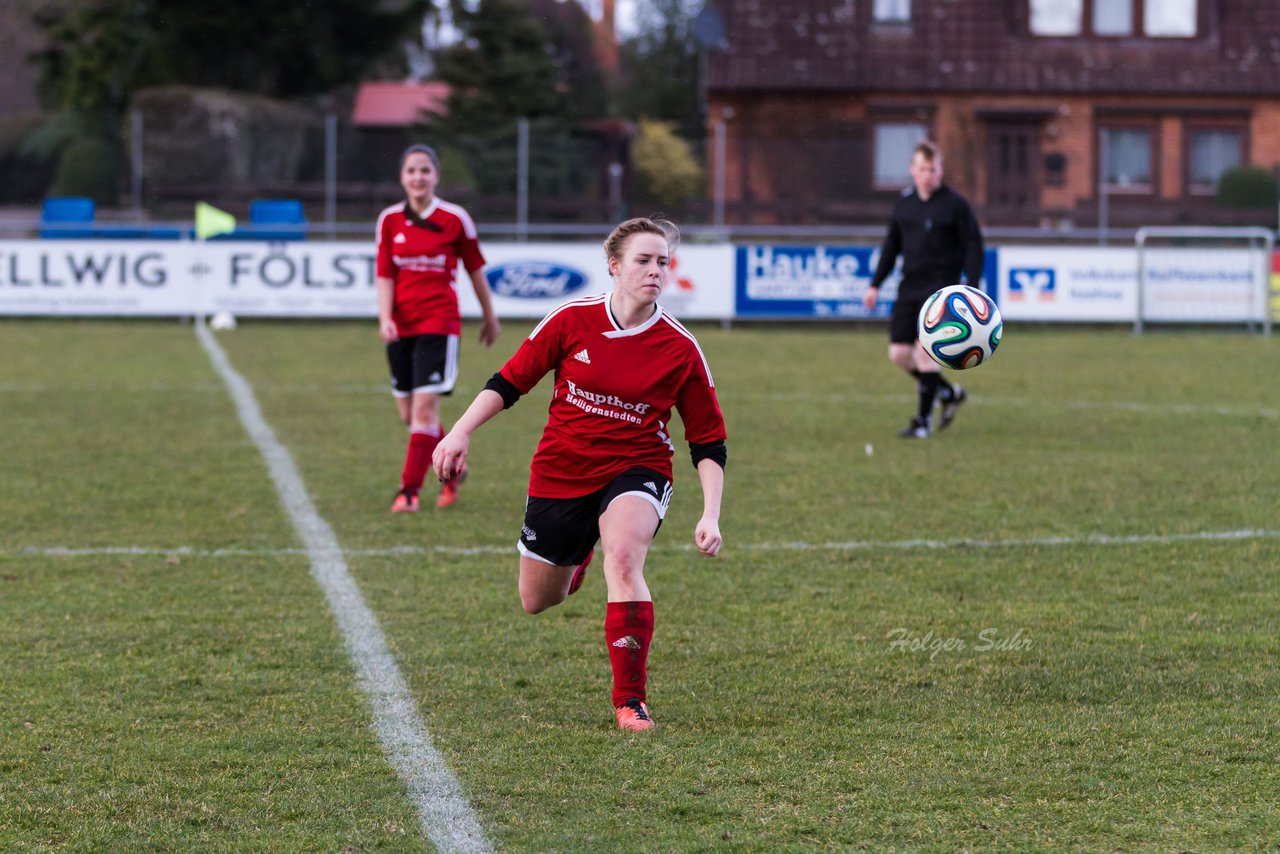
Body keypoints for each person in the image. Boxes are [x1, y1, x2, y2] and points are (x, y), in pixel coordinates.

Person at [432, 217, 727, 732]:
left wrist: (710, 513)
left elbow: (707, 439)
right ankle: (579, 553)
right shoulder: (571, 320)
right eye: (643, 259)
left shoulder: (680, 348)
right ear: (614, 266)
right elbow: (509, 381)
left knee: (626, 558)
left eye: (663, 261)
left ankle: (630, 701)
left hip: (638, 467)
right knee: (537, 600)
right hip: (561, 470)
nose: (655, 270)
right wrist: (459, 433)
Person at [376, 144, 500, 512]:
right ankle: (454, 465)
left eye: (425, 170)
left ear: (436, 176)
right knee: (409, 414)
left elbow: (475, 268)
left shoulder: (455, 218)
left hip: (439, 324)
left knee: (424, 413)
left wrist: (489, 314)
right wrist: (385, 318)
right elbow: (384, 274)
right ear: (402, 177)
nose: (418, 177)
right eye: (411, 170)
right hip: (401, 327)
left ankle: (408, 492)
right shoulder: (389, 221)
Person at [863, 140, 984, 438]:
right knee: (898, 354)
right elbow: (891, 248)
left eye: (932, 169)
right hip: (910, 286)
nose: (927, 174)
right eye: (922, 169)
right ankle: (947, 392)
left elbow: (974, 246)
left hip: (941, 289)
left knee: (925, 353)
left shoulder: (955, 205)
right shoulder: (904, 205)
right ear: (912, 171)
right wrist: (875, 284)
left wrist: (973, 286)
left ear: (940, 170)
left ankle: (922, 423)